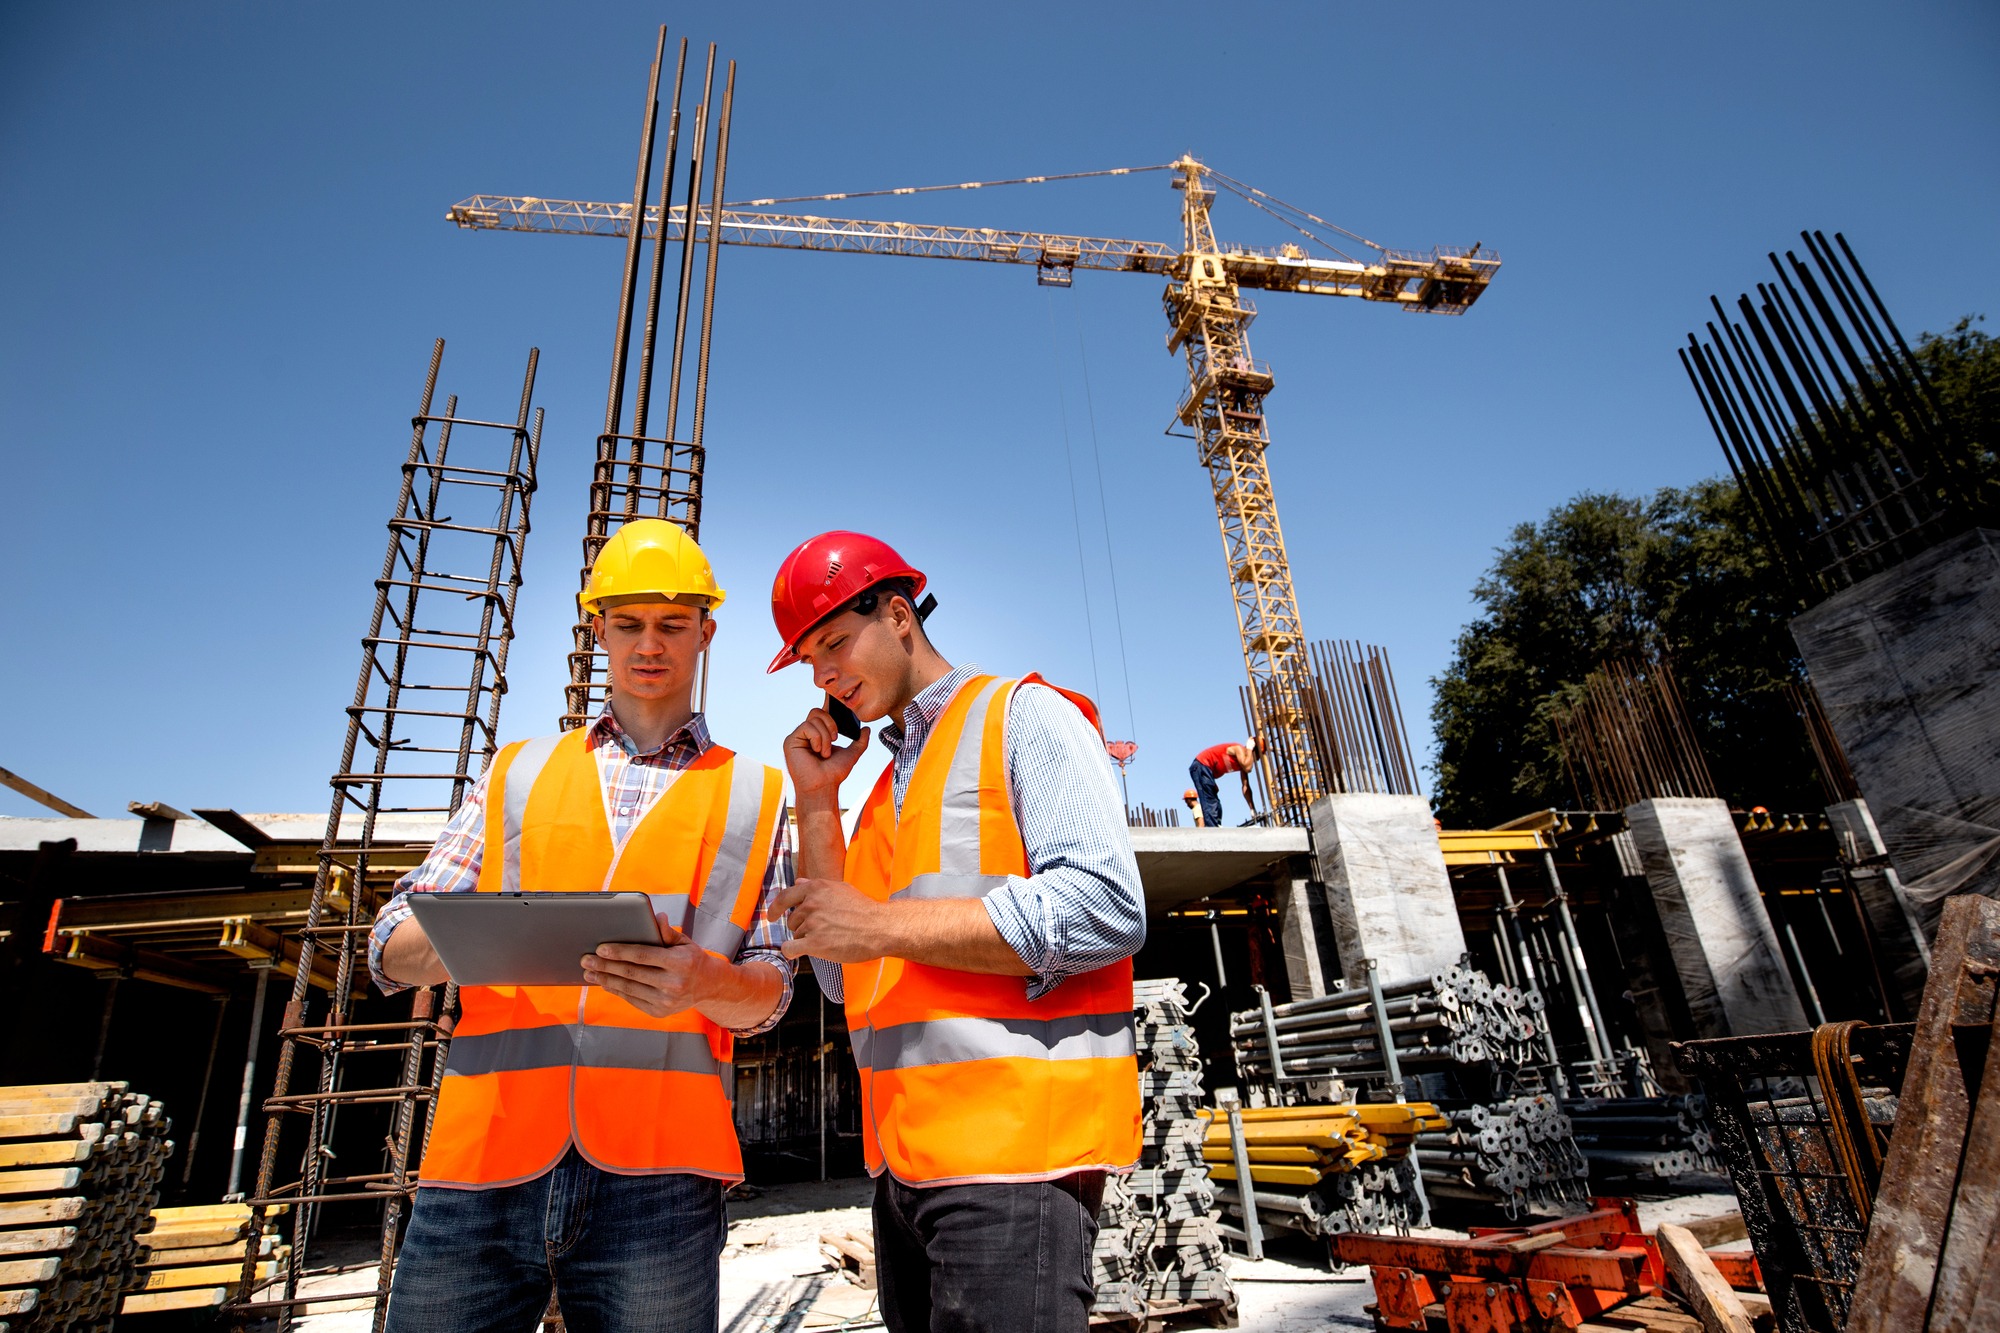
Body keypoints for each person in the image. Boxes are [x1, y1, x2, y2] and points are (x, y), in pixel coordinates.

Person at [366, 519, 794, 1333]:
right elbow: (390, 945)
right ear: (598, 628)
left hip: (660, 1173)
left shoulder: (756, 792)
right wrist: (482, 933)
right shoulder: (516, 772)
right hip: (486, 1155)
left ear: (707, 630)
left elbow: (771, 992)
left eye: (672, 624)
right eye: (628, 623)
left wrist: (708, 980)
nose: (649, 645)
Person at [764, 531, 1144, 1333]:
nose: (825, 673)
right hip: (904, 1171)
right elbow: (842, 974)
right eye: (809, 661)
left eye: (835, 642)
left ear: (899, 615)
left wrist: (881, 922)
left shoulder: (1023, 716)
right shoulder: (876, 796)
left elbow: (1107, 904)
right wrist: (818, 801)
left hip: (1015, 1162)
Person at [1188, 737, 1262, 829]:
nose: (1257, 760)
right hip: (1201, 765)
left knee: (1216, 804)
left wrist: (1252, 809)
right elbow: (1248, 768)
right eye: (1257, 756)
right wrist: (1250, 748)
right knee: (1210, 802)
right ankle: (1212, 830)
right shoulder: (1238, 749)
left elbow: (1245, 786)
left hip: (1207, 770)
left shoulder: (1242, 762)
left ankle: (1216, 826)